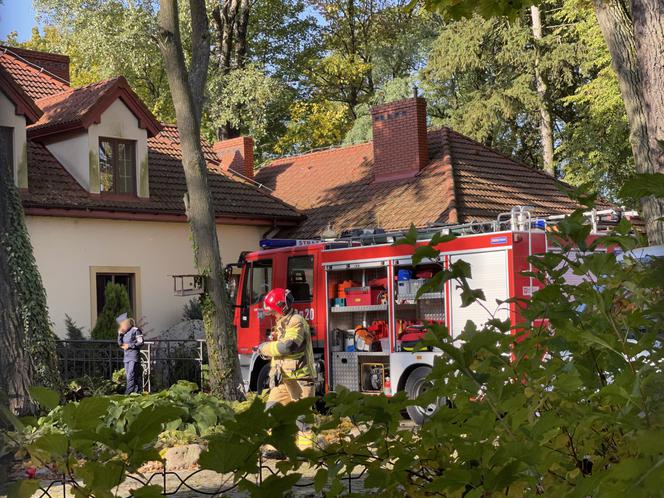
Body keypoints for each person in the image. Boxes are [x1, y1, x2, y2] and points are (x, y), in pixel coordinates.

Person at [258, 288, 316, 452]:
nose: (271, 314)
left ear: (281, 306)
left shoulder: (296, 321)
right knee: (271, 412)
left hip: (301, 380)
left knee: (302, 419)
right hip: (283, 379)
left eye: (273, 311)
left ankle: (306, 452)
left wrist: (265, 348)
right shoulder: (282, 323)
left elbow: (288, 346)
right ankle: (274, 449)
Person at [116, 313, 144, 394]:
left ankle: (127, 395)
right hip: (127, 358)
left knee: (130, 376)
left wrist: (130, 345)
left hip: (134, 357)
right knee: (131, 377)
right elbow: (120, 344)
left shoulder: (136, 330)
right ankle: (137, 393)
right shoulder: (124, 333)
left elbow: (141, 342)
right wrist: (120, 335)